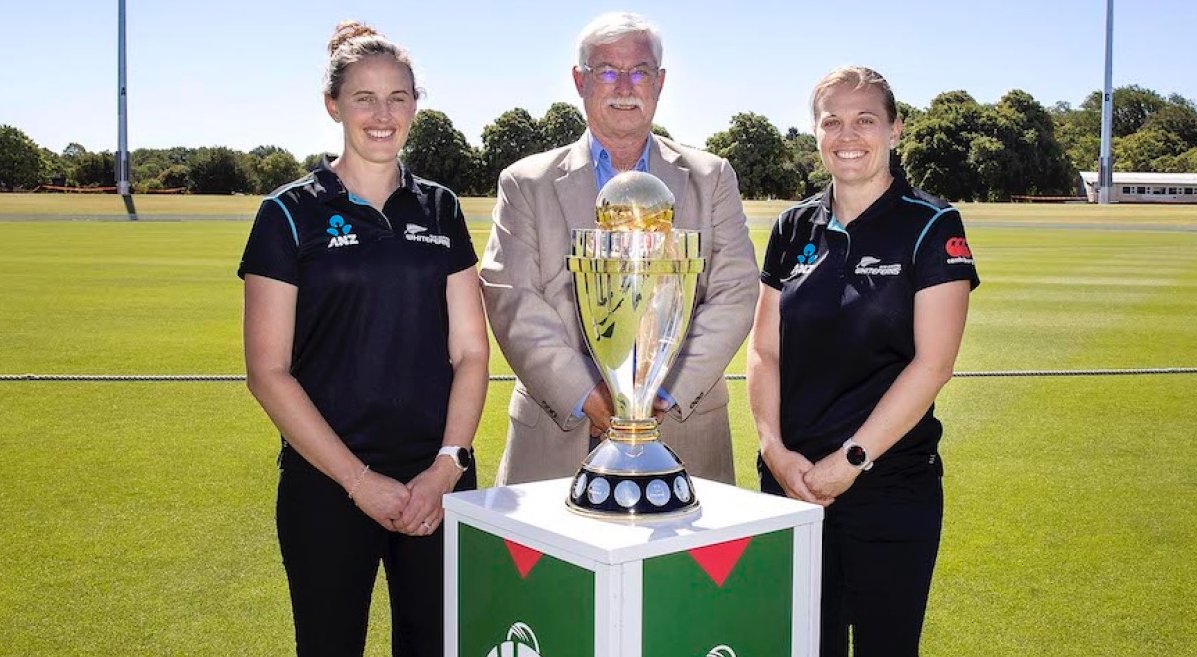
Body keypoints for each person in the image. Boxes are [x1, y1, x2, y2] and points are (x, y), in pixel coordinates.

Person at [237, 21, 488, 657]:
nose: (383, 114)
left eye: (399, 97)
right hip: (328, 483)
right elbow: (268, 371)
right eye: (364, 98)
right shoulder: (289, 212)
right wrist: (357, 480)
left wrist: (445, 466)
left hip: (437, 481)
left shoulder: (441, 207)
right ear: (334, 105)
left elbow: (470, 351)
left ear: (415, 106)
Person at [748, 66, 980, 657]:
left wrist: (850, 460)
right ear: (817, 132)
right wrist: (774, 449)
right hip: (791, 481)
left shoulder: (932, 223)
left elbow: (933, 365)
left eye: (865, 120)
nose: (848, 134)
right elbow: (765, 350)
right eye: (833, 121)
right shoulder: (792, 225)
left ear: (895, 130)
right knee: (800, 645)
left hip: (888, 484)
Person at [480, 12, 758, 486]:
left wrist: (657, 395)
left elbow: (734, 294)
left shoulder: (712, 177)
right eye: (606, 70)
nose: (624, 85)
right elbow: (514, 302)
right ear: (579, 81)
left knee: (681, 565)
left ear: (660, 82)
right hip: (557, 439)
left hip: (683, 435)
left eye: (640, 71)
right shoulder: (525, 183)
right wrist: (591, 397)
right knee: (555, 565)